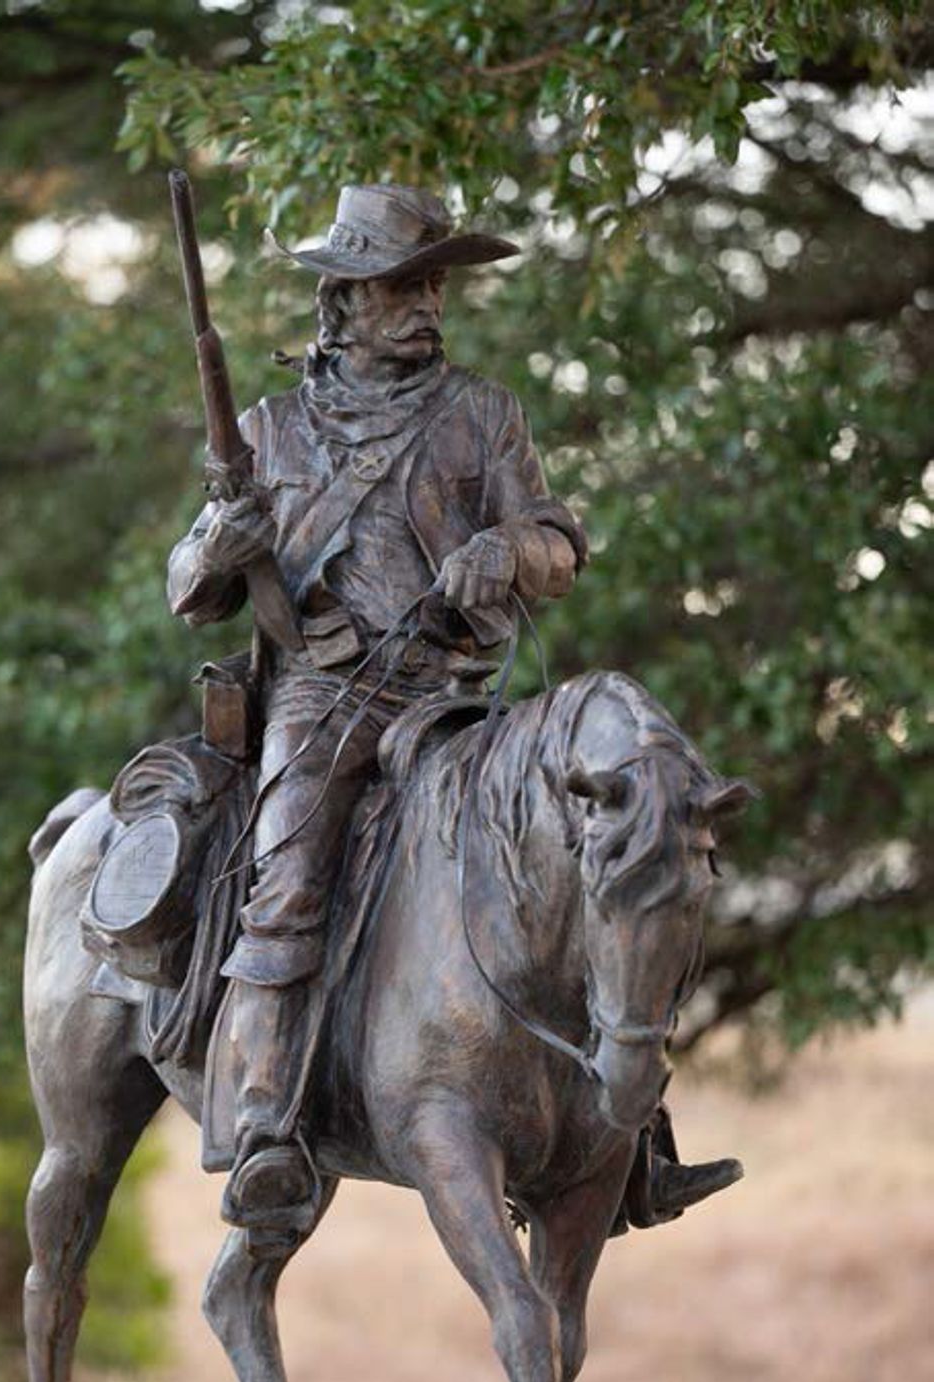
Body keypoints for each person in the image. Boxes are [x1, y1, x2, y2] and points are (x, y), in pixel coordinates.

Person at [167, 185, 738, 1243]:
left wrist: (509, 549)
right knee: (287, 876)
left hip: (453, 699)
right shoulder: (268, 428)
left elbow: (559, 541)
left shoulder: (483, 412)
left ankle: (632, 1139)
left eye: (434, 280)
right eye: (402, 282)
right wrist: (223, 545)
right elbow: (187, 584)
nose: (427, 300)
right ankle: (263, 1131)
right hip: (324, 696)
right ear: (343, 298)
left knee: (588, 852)